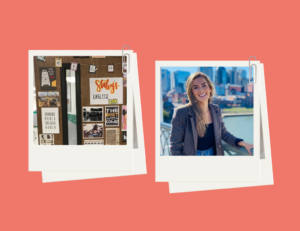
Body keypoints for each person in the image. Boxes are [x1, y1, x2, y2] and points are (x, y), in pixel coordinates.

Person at [170, 72, 253, 156]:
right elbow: (175, 147)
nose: (201, 90)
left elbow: (223, 133)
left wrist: (241, 143)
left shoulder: (216, 109)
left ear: (210, 88)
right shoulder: (181, 113)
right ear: (191, 92)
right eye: (195, 87)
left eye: (204, 85)